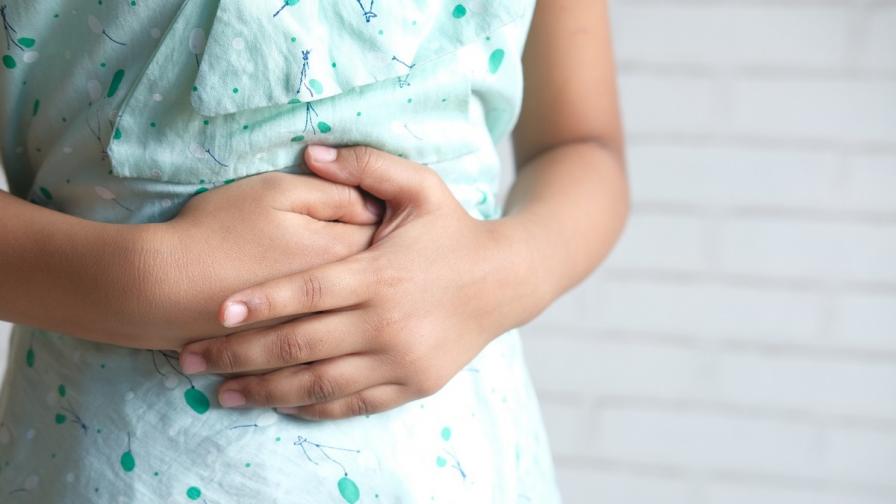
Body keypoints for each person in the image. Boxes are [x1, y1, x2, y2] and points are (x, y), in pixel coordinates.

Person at [0, 0, 628, 502]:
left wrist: (499, 273)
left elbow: (581, 145)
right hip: (104, 462)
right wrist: (141, 280)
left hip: (459, 469)